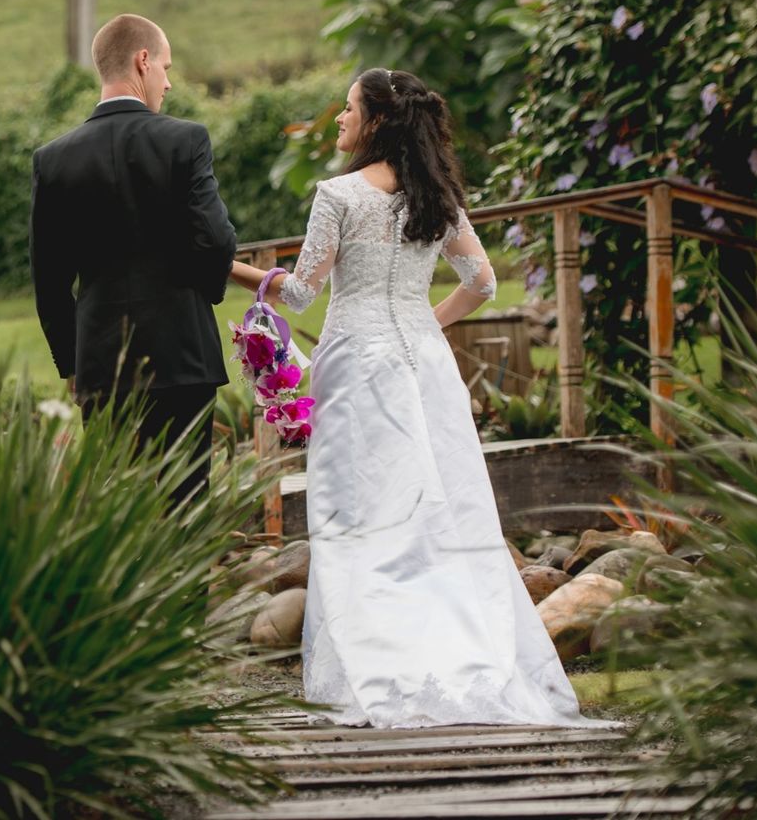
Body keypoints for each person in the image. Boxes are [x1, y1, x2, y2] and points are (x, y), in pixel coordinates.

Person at [229, 67, 598, 727]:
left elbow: (300, 294)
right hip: (424, 364)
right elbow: (482, 282)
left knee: (360, 517)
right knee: (442, 512)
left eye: (346, 108)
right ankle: (463, 655)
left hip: (356, 366)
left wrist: (221, 266)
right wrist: (428, 323)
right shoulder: (437, 195)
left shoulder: (337, 194)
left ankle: (380, 664)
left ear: (375, 122)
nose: (338, 119)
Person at [30, 14, 237, 503]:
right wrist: (197, 293)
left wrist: (72, 363)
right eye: (165, 67)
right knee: (186, 504)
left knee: (124, 517)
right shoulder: (185, 141)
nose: (167, 82)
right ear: (142, 61)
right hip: (184, 355)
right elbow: (217, 240)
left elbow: (49, 280)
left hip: (102, 367)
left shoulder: (53, 159)